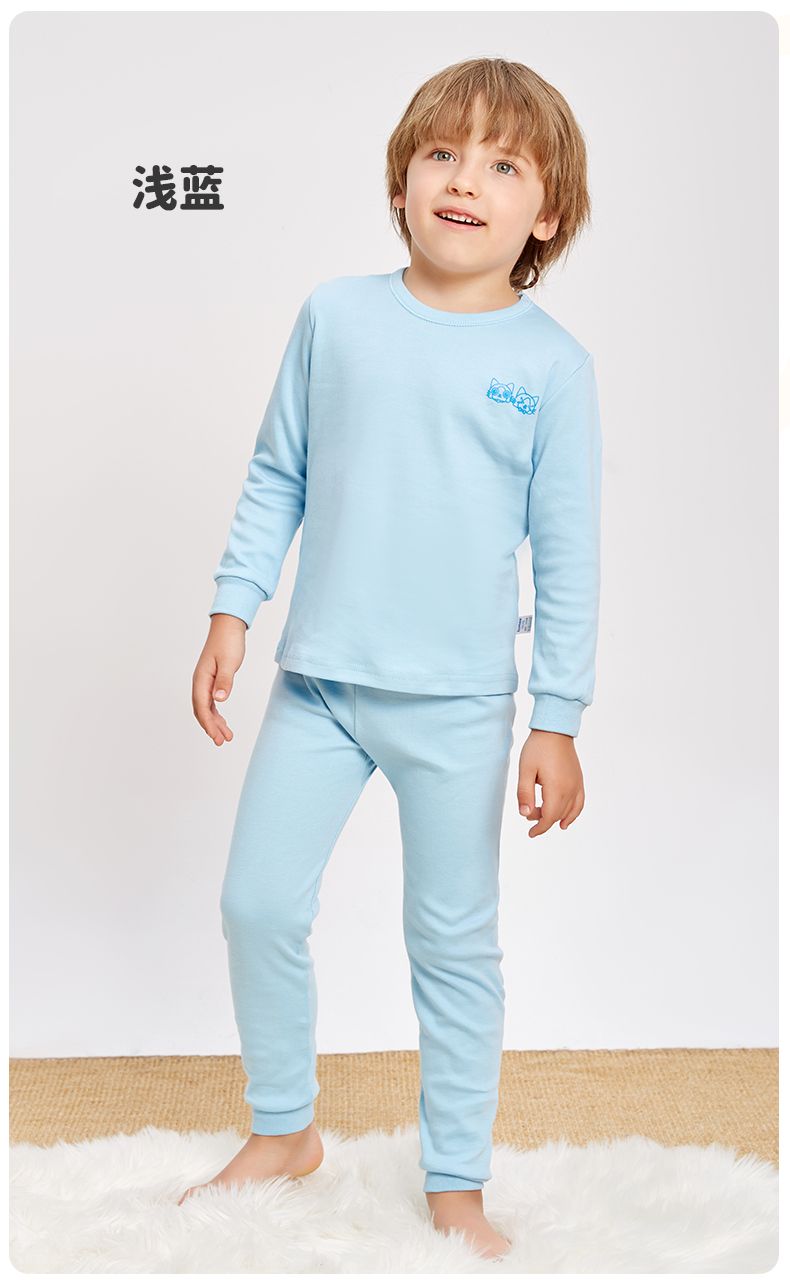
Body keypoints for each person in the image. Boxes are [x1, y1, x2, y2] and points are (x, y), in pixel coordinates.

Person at [181, 56, 602, 1262]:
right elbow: (279, 471)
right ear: (401, 182)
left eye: (503, 165)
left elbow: (568, 554)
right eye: (442, 155)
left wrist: (557, 717)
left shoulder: (553, 366)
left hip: (459, 705)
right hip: (318, 685)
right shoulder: (337, 316)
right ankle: (285, 1130)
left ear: (546, 214)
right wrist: (232, 608)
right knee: (257, 903)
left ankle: (456, 1181)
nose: (465, 181)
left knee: (451, 945)